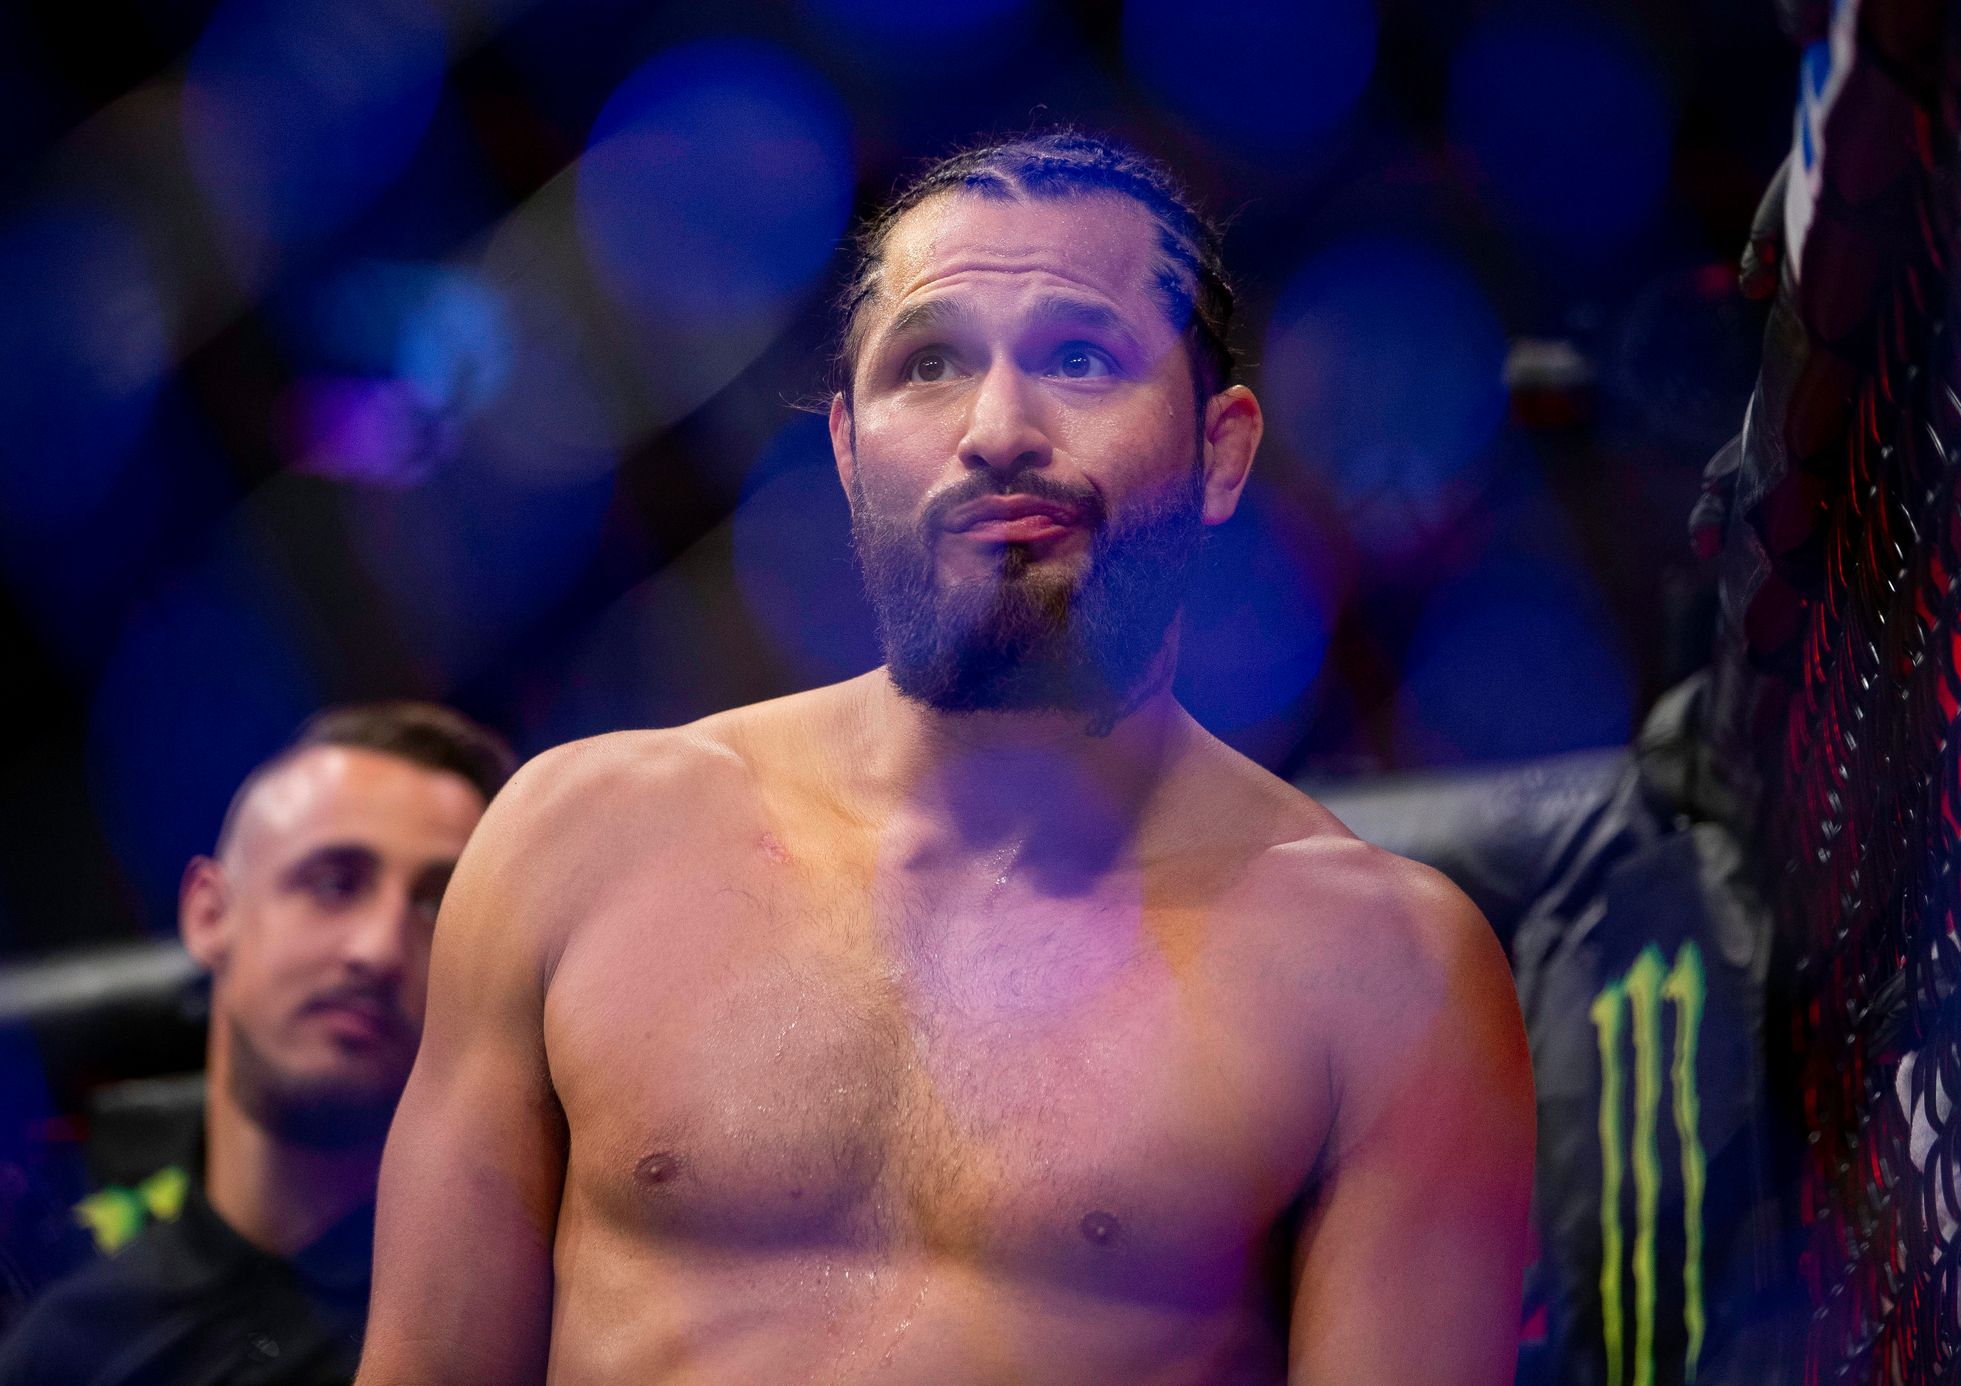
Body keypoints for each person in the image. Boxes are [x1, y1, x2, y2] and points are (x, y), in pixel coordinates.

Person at [358, 132, 1535, 1385]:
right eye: (930, 364)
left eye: (1082, 357)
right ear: (851, 451)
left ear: (1222, 452)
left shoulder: (1382, 970)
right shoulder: (578, 840)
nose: (999, 429)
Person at [0, 703, 514, 1385]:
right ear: (211, 914)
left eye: (437, 906)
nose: (380, 949)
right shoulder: (69, 1350)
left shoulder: (525, 1319)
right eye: (334, 883)